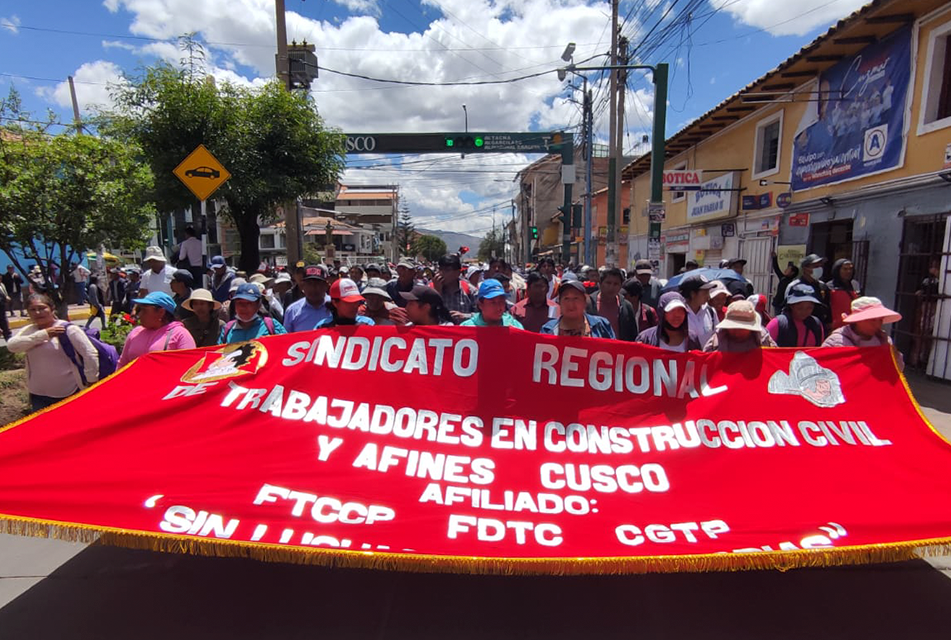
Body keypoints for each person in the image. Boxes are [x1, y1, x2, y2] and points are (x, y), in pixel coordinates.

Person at [7, 293, 99, 412]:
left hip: (69, 393)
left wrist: (92, 380)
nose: (38, 313)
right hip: (38, 396)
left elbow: (90, 354)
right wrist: (44, 335)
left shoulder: (68, 330)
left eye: (42, 308)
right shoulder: (29, 330)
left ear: (52, 308)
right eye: (33, 310)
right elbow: (12, 346)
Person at [822, 296, 904, 370]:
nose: (878, 325)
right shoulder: (835, 342)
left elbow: (898, 369)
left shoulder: (883, 340)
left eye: (880, 320)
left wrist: (890, 350)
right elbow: (822, 370)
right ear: (857, 320)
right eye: (872, 320)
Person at [118, 292, 196, 367]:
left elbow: (189, 368)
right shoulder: (136, 332)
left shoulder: (180, 335)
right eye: (139, 310)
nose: (139, 314)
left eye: (144, 310)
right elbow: (122, 364)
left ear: (161, 312)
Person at [540, 277, 614, 338]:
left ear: (585, 302)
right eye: (566, 298)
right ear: (559, 302)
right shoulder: (547, 330)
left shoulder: (601, 325)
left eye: (576, 298)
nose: (571, 304)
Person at [219, 283, 288, 343]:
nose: (243, 307)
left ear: (258, 305)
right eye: (240, 303)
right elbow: (218, 354)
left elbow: (287, 347)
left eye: (249, 303)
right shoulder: (227, 329)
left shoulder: (272, 326)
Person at [634, 291, 702, 351]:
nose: (677, 315)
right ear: (662, 313)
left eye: (680, 310)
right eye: (672, 311)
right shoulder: (646, 339)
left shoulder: (692, 339)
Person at [766, 283, 826, 348]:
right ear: (791, 305)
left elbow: (819, 350)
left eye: (809, 308)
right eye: (799, 308)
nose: (804, 311)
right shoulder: (777, 324)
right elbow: (765, 349)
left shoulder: (816, 325)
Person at [704, 300, 777, 352]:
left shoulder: (763, 340)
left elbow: (776, 361)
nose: (736, 331)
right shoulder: (715, 342)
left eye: (741, 328)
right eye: (732, 327)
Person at [586, 267, 638, 341]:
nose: (611, 287)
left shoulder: (626, 307)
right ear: (600, 284)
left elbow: (632, 334)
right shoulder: (589, 304)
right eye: (608, 283)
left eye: (615, 284)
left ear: (620, 286)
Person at [282, 265, 332, 332]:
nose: (313, 288)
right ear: (302, 286)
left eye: (317, 284)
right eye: (309, 284)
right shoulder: (292, 311)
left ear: (325, 286)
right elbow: (286, 338)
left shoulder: (336, 306)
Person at [785, 254, 830, 326]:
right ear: (805, 268)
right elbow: (786, 308)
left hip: (818, 326)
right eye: (815, 266)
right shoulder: (794, 286)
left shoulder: (823, 286)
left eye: (820, 266)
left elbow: (827, 307)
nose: (819, 269)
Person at [432, 254, 476, 323]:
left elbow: (482, 316)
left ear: (458, 272)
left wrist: (465, 316)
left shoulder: (470, 291)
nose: (441, 273)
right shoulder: (431, 289)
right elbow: (427, 315)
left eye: (447, 270)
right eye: (440, 269)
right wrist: (437, 293)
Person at [680, 273, 719, 347]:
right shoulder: (679, 313)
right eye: (705, 293)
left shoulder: (711, 312)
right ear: (693, 294)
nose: (709, 296)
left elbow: (716, 333)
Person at [826, 258, 862, 330]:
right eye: (845, 269)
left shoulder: (855, 285)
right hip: (835, 326)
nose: (848, 271)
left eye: (850, 269)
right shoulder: (829, 286)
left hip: (853, 325)